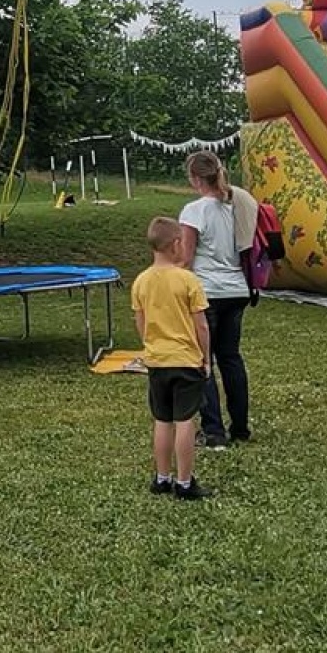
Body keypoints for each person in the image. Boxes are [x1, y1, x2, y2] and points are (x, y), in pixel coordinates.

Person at [131, 217, 213, 500]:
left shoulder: (141, 281)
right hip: (186, 361)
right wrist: (206, 359)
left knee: (162, 420)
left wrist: (150, 347)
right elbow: (201, 325)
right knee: (185, 420)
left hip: (156, 361)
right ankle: (185, 483)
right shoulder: (188, 280)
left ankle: (162, 477)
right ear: (175, 244)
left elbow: (140, 322)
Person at [178, 150, 254, 449]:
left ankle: (213, 431)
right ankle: (240, 427)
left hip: (207, 291)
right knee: (231, 358)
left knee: (203, 361)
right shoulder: (233, 206)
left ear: (196, 178)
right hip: (237, 289)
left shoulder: (194, 210)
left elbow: (185, 257)